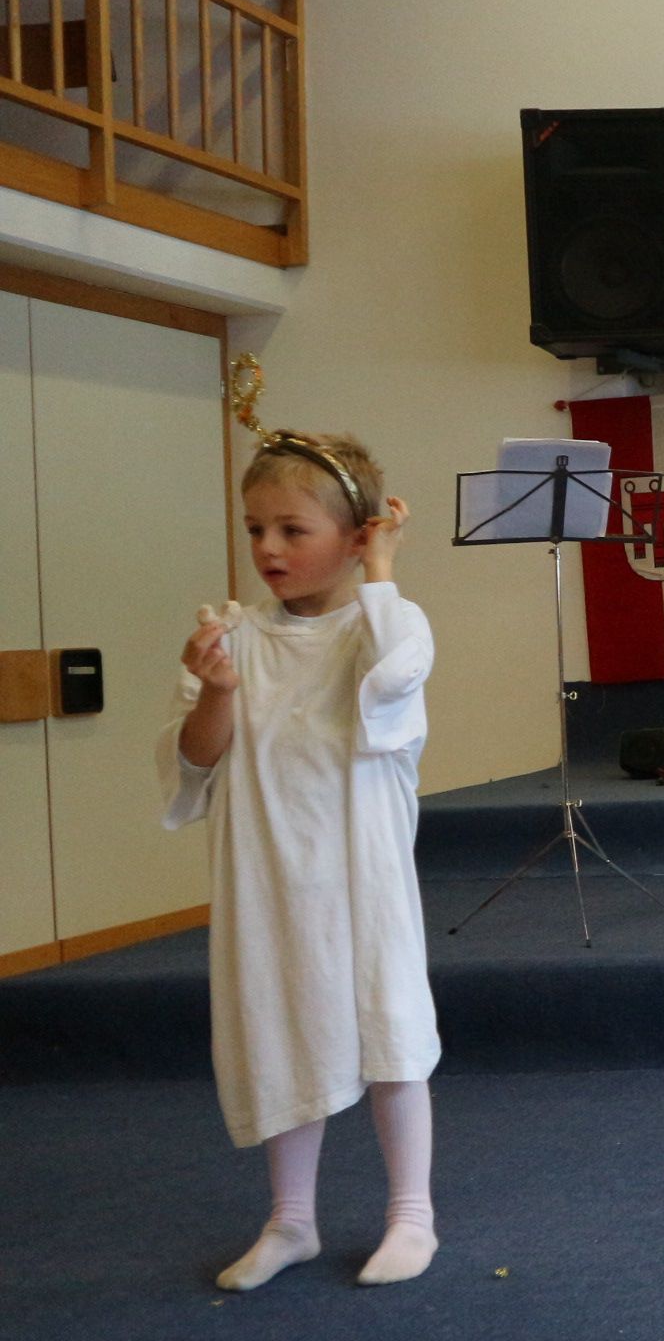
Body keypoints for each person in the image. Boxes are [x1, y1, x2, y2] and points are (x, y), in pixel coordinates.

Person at [164, 420, 439, 1292]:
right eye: (256, 530)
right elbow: (193, 763)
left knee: (388, 1028)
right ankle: (291, 1221)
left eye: (293, 530)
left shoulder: (386, 623)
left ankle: (411, 1215)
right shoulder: (231, 634)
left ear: (355, 538)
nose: (268, 549)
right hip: (268, 872)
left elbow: (394, 681)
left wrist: (382, 565)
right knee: (277, 1028)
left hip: (361, 870)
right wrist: (215, 692)